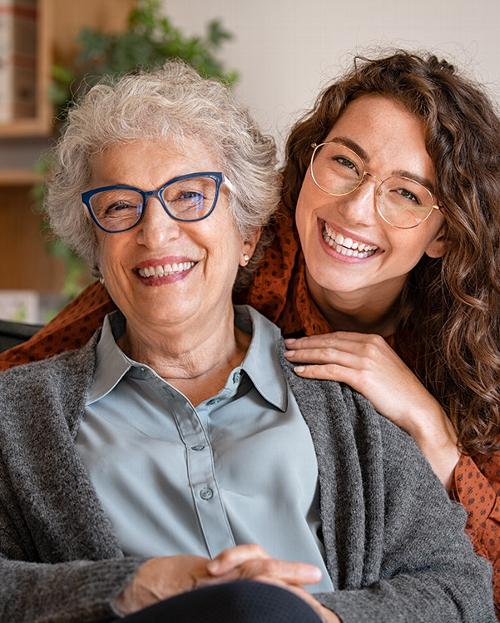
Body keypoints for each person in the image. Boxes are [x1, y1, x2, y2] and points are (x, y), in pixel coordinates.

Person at [0, 62, 495, 623]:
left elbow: (464, 594)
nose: (156, 232)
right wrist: (128, 586)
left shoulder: (360, 411)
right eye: (120, 206)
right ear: (94, 248)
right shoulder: (20, 415)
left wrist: (316, 617)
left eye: (189, 196)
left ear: (248, 235)